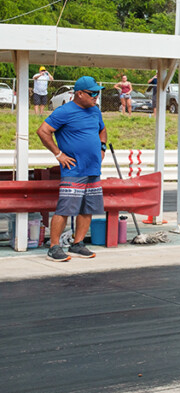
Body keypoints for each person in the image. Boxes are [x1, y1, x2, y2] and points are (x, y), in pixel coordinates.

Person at [36, 76, 107, 262]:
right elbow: (42, 131)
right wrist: (58, 154)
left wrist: (103, 147)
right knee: (65, 209)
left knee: (87, 208)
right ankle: (54, 247)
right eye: (92, 93)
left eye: (97, 93)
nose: (96, 96)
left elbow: (102, 130)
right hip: (74, 170)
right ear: (79, 94)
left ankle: (78, 243)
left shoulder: (95, 111)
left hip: (93, 169)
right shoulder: (64, 111)